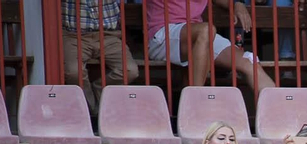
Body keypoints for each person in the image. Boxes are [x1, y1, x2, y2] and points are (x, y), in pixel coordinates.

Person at [143, 0, 274, 95]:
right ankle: (195, 100)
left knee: (249, 61)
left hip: (199, 34)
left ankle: (281, 119)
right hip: (162, 35)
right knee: (206, 30)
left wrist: (236, 4)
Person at [62, 0, 139, 114]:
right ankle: (91, 111)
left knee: (130, 70)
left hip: (109, 36)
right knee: (74, 72)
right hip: (73, 36)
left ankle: (100, 88)